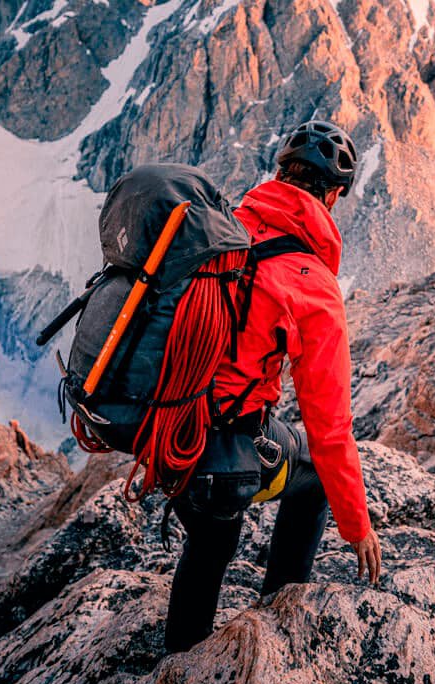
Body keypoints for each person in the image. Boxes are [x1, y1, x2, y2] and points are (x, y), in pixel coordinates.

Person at [165, 120, 381, 653]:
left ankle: (177, 658)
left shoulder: (223, 229)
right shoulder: (311, 285)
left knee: (213, 538)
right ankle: (280, 619)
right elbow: (329, 428)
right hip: (219, 463)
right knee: (310, 477)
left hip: (164, 432)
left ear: (279, 175)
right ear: (331, 197)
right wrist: (358, 525)